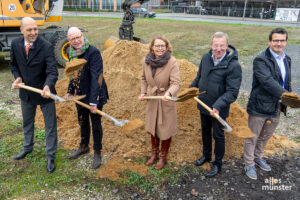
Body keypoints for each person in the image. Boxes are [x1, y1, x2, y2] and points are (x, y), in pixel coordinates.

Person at [190, 32, 242, 177]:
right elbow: (199, 77)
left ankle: (217, 163)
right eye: (216, 45)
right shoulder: (206, 58)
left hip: (218, 110)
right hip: (203, 104)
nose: (218, 49)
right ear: (211, 45)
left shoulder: (233, 66)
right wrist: (190, 89)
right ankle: (206, 156)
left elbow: (232, 92)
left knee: (218, 136)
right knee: (205, 132)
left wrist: (218, 106)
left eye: (222, 45)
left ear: (227, 46)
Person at [10, 17, 58, 173]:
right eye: (29, 29)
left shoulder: (46, 46)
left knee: (50, 126)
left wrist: (48, 85)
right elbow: (13, 65)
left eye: (35, 29)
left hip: (45, 93)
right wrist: (17, 77)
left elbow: (52, 71)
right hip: (26, 93)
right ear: (21, 30)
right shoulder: (16, 44)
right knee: (27, 123)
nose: (33, 32)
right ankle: (27, 148)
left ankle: (50, 156)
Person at [244, 28, 292, 180]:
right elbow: (266, 81)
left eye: (282, 40)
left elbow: (286, 81)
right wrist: (287, 96)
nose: (279, 43)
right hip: (260, 105)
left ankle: (258, 157)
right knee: (252, 136)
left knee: (266, 135)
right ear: (269, 41)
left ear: (285, 42)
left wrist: (288, 98)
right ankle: (249, 163)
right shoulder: (261, 59)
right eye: (276, 40)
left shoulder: (287, 59)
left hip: (277, 105)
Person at [66, 27, 109, 169]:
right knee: (82, 121)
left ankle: (97, 151)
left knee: (95, 123)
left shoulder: (93, 52)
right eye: (73, 39)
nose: (76, 41)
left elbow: (97, 78)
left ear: (83, 36)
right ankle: (84, 146)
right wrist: (70, 91)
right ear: (69, 41)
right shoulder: (70, 52)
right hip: (80, 93)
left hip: (94, 93)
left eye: (78, 37)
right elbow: (73, 73)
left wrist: (93, 101)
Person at [139, 35, 180, 170]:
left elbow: (176, 83)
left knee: (165, 129)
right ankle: (154, 154)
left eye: (163, 46)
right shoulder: (146, 61)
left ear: (167, 47)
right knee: (153, 127)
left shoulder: (172, 62)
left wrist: (169, 93)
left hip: (165, 100)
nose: (160, 48)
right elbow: (143, 78)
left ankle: (163, 157)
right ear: (152, 47)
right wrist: (144, 92)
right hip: (152, 99)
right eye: (157, 46)